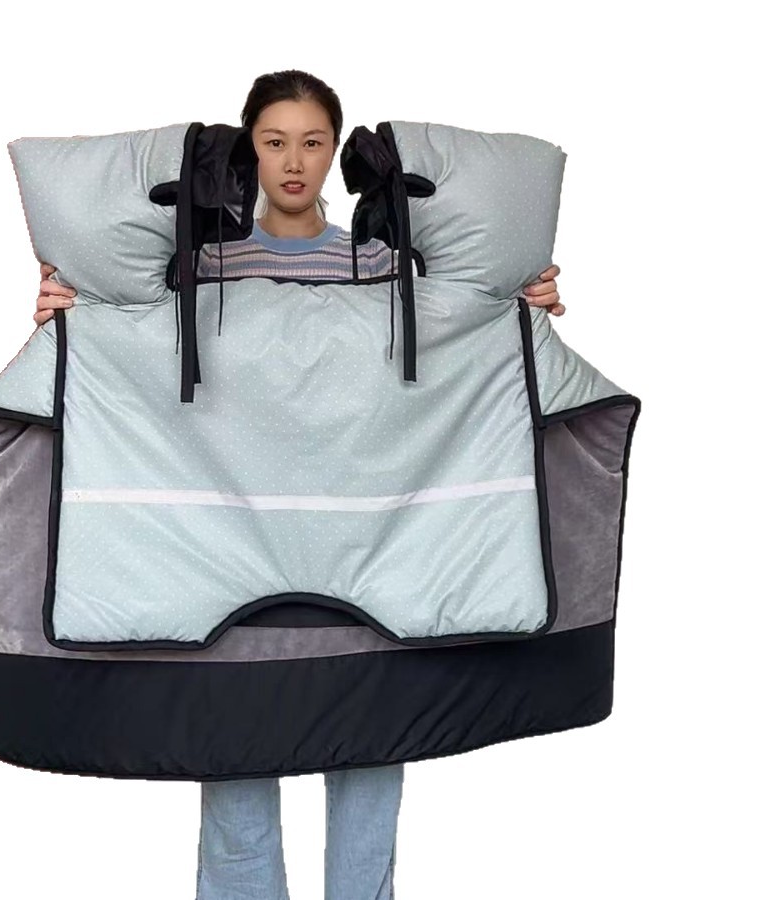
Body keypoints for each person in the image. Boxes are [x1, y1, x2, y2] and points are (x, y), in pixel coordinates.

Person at [32, 70, 565, 900]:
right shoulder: (196, 268)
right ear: (249, 150)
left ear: (334, 152)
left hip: (370, 556)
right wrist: (73, 314)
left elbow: (449, 365)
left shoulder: (387, 267)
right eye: (274, 141)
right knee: (236, 775)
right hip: (232, 560)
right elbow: (137, 368)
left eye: (313, 142)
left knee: (371, 774)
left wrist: (517, 308)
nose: (293, 161)